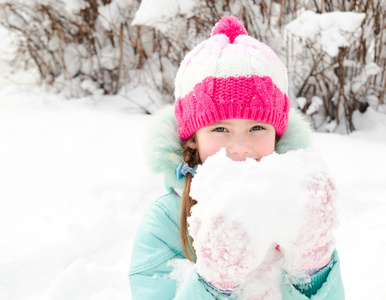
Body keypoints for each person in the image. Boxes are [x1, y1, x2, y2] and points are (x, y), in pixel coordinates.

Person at [129, 16, 345, 299]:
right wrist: (214, 283)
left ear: (277, 135)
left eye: (257, 127)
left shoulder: (293, 207)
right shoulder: (164, 223)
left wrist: (314, 269)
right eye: (220, 129)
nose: (240, 147)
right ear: (193, 137)